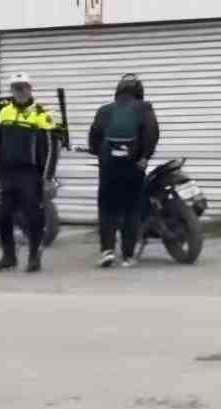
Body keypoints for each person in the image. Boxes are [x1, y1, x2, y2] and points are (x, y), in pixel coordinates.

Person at [87, 73, 159, 268]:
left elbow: (93, 140)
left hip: (109, 168)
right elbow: (152, 133)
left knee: (107, 208)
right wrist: (145, 157)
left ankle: (107, 251)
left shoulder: (103, 111)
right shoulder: (144, 109)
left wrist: (101, 155)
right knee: (131, 209)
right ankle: (127, 256)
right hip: (134, 167)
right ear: (139, 92)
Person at [0, 73, 59, 273]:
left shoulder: (41, 114)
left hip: (30, 175)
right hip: (8, 174)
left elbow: (53, 148)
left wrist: (47, 178)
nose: (20, 91)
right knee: (2, 216)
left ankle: (34, 256)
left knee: (33, 217)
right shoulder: (4, 112)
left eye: (23, 87)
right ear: (12, 90)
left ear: (30, 89)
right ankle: (8, 257)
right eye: (16, 88)